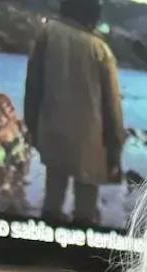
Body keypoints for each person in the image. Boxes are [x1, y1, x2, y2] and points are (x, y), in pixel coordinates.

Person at [25, 0, 125, 225]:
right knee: (85, 213)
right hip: (90, 145)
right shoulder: (100, 50)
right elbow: (113, 109)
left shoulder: (48, 34)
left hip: (53, 134)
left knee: (52, 202)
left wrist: (32, 128)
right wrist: (115, 151)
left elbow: (32, 88)